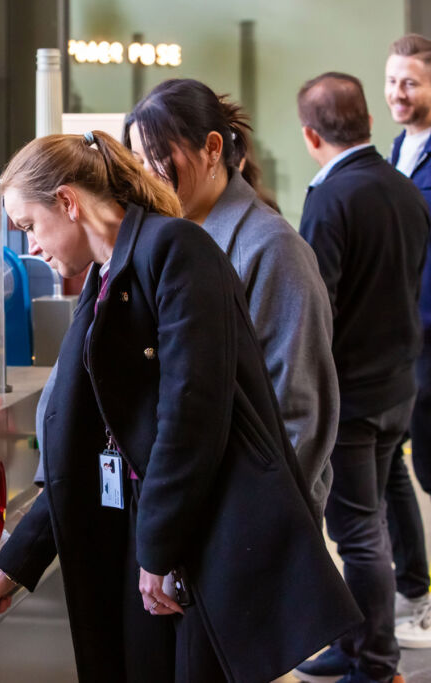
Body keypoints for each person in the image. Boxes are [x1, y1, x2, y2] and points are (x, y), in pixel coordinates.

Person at [0, 131, 360, 683]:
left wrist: (159, 552)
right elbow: (87, 440)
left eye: (29, 226)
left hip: (192, 543)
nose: (32, 248)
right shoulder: (104, 276)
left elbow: (193, 415)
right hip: (143, 538)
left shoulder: (176, 249)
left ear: (68, 202)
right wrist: (17, 563)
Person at [123, 79, 338, 521]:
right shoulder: (169, 243)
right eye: (138, 162)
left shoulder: (272, 247)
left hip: (252, 518)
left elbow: (299, 411)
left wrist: (263, 523)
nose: (145, 177)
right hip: (191, 508)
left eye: (155, 158)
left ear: (212, 148)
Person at [293, 72, 430, 683]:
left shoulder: (330, 198)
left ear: (309, 134)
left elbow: (316, 305)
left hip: (353, 397)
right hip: (399, 384)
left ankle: (374, 664)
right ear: (370, 121)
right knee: (370, 517)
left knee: (357, 533)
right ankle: (354, 645)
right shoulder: (404, 189)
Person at [385, 33, 431, 648]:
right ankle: (415, 591)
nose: (398, 92)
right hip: (400, 338)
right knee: (398, 461)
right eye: (393, 81)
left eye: (411, 82)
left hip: (428, 333)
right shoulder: (399, 146)